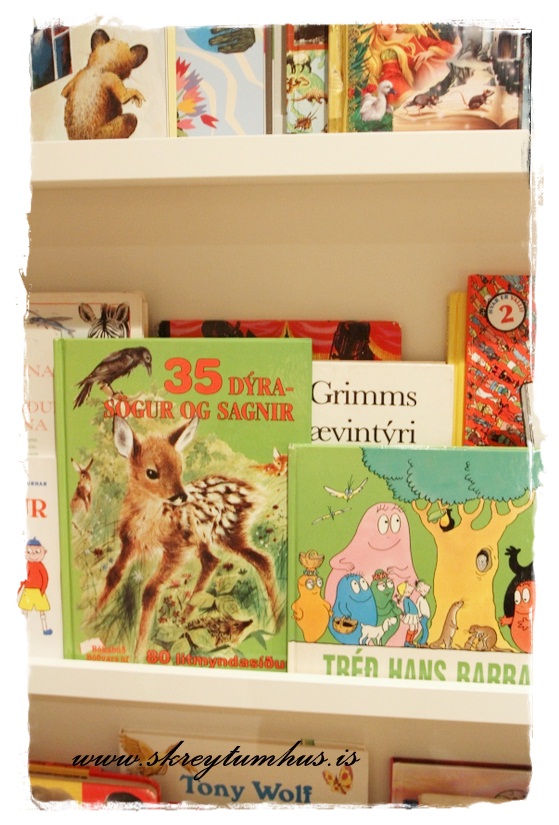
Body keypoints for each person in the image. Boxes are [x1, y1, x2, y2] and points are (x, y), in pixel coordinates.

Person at [362, 24, 461, 108]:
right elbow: (393, 78)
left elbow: (435, 44)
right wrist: (410, 96)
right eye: (382, 23)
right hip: (426, 81)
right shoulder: (390, 52)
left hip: (444, 68)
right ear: (377, 31)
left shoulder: (411, 35)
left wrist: (430, 52)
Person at [18, 537, 52, 636]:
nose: (32, 554)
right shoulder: (27, 564)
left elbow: (45, 577)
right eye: (29, 551)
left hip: (38, 591)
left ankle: (45, 629)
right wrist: (21, 587)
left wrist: (43, 590)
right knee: (25, 610)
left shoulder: (40, 566)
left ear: (43, 552)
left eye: (36, 552)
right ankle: (22, 629)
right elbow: (24, 577)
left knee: (42, 610)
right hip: (28, 591)